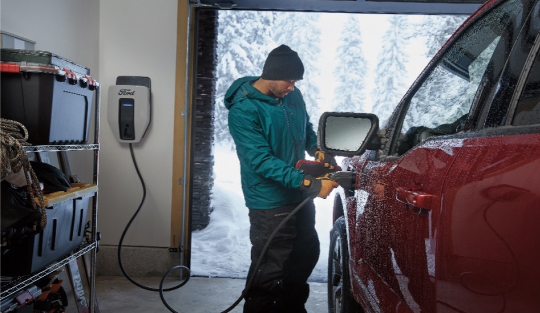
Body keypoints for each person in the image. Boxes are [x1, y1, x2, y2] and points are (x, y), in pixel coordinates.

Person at [224, 44, 339, 313]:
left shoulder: (292, 96)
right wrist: (311, 183)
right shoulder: (243, 110)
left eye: (296, 81)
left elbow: (306, 129)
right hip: (270, 202)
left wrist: (317, 149)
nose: (292, 86)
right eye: (289, 80)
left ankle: (292, 309)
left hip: (298, 195)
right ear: (272, 75)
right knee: (269, 269)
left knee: (304, 256)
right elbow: (260, 160)